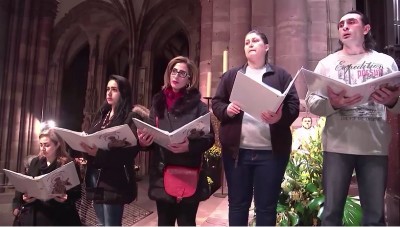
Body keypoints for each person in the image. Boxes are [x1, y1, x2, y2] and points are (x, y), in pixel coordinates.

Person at [305, 10, 400, 226]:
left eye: (351, 22)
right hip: (337, 147)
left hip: (374, 147)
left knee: (375, 216)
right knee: (331, 213)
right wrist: (333, 104)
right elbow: (311, 103)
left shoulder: (385, 63)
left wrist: (392, 100)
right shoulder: (327, 64)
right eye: (341, 25)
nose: (345, 27)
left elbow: (398, 106)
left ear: (365, 29)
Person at [211, 30, 300, 226]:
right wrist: (228, 110)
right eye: (246, 42)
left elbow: (294, 106)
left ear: (266, 47)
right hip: (237, 154)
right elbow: (217, 103)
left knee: (266, 207)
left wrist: (279, 117)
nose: (250, 44)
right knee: (237, 204)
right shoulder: (232, 76)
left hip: (271, 153)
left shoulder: (281, 75)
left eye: (255, 41)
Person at [137, 56, 215, 226]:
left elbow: (210, 138)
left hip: (188, 172)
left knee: (187, 222)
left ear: (189, 79)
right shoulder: (158, 103)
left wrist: (190, 146)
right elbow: (151, 134)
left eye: (182, 73)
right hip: (162, 172)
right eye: (174, 71)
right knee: (164, 222)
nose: (176, 76)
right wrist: (144, 141)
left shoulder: (198, 107)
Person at [80, 75, 141, 226]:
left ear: (123, 93)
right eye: (107, 89)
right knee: (101, 224)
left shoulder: (130, 117)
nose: (109, 93)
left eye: (114, 89)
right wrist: (83, 146)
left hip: (114, 182)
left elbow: (128, 154)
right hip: (95, 179)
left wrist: (98, 154)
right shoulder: (102, 115)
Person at [12, 129, 82, 226]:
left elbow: (77, 192)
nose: (42, 148)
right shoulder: (35, 162)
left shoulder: (68, 164)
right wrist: (25, 197)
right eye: (41, 145)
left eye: (47, 145)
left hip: (58, 213)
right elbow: (25, 185)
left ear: (57, 144)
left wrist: (66, 197)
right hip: (36, 211)